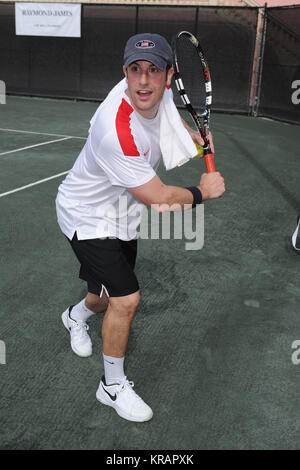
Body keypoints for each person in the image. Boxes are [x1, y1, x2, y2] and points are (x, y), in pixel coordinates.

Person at [55, 33, 225, 422]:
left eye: (153, 71)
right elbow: (159, 197)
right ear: (125, 73)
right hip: (86, 215)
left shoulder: (157, 93)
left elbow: (170, 119)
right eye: (135, 70)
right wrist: (203, 192)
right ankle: (111, 386)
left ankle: (75, 316)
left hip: (121, 214)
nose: (143, 81)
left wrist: (197, 142)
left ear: (168, 77)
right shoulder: (115, 129)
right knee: (127, 299)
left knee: (100, 297)